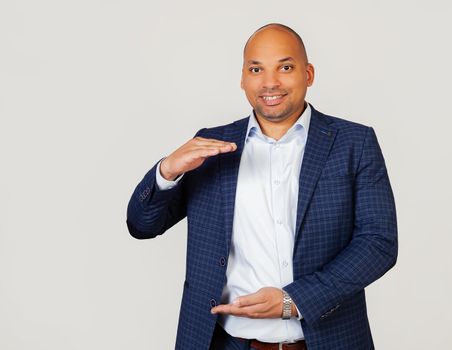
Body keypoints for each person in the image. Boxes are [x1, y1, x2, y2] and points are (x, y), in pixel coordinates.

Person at [126, 23, 397, 350]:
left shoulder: (354, 143)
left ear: (308, 73)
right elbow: (142, 226)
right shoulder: (212, 147)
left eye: (285, 67)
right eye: (256, 69)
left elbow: (378, 243)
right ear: (243, 78)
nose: (270, 82)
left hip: (328, 342)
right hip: (225, 343)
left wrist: (294, 301)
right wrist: (167, 170)